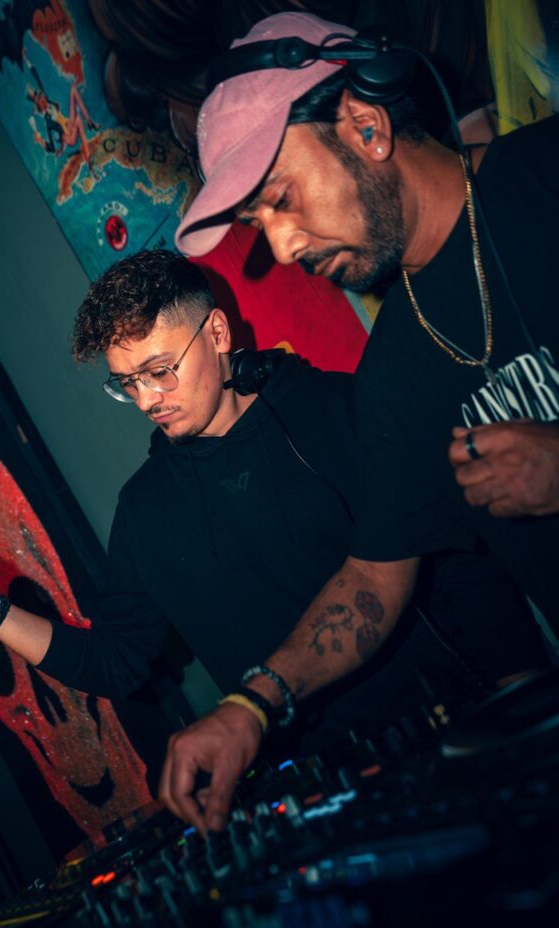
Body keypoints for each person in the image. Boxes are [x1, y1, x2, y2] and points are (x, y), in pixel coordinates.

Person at [0, 251, 544, 805]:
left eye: (159, 371)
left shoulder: (338, 410)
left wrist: (520, 690)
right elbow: (117, 660)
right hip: (325, 787)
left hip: (461, 734)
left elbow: (459, 560)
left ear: (219, 333)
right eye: (126, 384)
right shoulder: (145, 512)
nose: (147, 400)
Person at [162, 11, 558, 832]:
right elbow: (377, 576)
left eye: (280, 199)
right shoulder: (392, 375)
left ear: (368, 127)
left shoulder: (546, 176)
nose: (279, 246)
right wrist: (251, 704)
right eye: (258, 223)